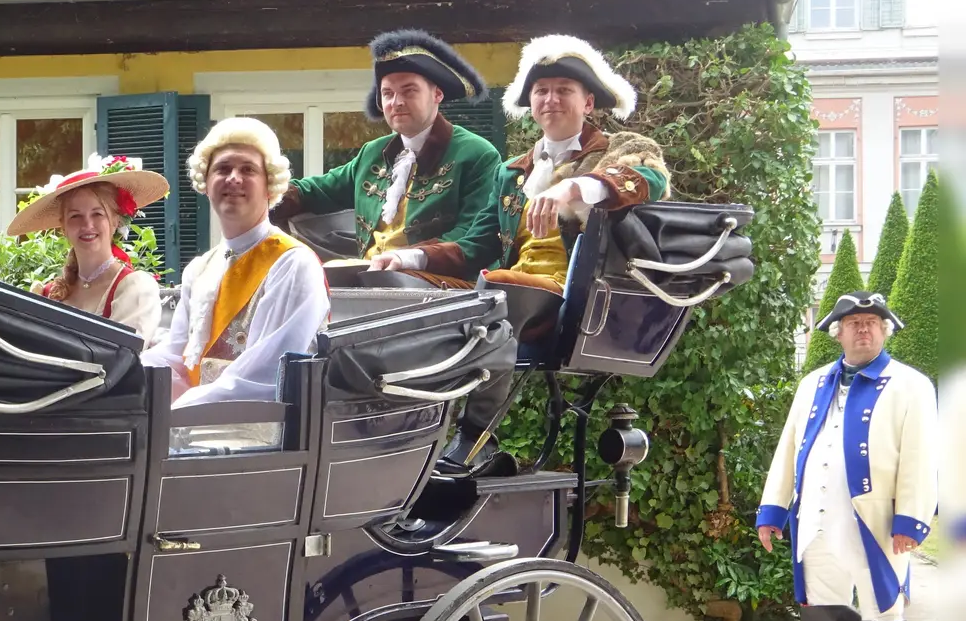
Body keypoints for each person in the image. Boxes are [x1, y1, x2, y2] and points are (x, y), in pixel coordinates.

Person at [438, 34, 670, 474]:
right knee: (425, 299)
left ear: (588, 102)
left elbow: (648, 178)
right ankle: (419, 431)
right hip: (512, 294)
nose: (550, 99)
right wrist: (412, 262)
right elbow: (478, 246)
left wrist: (577, 186)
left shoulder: (619, 149)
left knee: (498, 291)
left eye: (564, 90)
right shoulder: (511, 173)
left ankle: (474, 439)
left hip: (582, 299)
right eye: (541, 91)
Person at [755, 292, 937, 621]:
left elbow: (921, 460)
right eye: (853, 322)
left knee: (884, 617)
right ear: (836, 332)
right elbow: (788, 448)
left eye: (872, 323)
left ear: (885, 331)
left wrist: (911, 520)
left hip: (877, 530)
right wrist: (773, 509)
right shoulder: (813, 383)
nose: (863, 329)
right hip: (815, 525)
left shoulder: (911, 386)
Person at [270, 29, 502, 288]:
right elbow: (314, 191)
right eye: (388, 93)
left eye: (409, 91)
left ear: (437, 94)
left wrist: (410, 259)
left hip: (444, 292)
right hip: (372, 283)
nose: (396, 102)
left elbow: (473, 237)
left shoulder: (477, 154)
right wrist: (259, 193)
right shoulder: (372, 154)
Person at [142, 118, 329, 407]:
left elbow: (264, 376)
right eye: (222, 169)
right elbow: (177, 357)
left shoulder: (292, 264)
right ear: (205, 183)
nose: (233, 178)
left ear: (270, 185)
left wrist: (177, 414)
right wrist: (126, 378)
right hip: (188, 433)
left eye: (248, 169)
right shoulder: (200, 269)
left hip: (259, 440)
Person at [6, 154, 167, 338]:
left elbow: (120, 359)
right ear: (63, 227)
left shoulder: (134, 288)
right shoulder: (46, 293)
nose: (87, 225)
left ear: (115, 221)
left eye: (97, 214)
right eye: (75, 216)